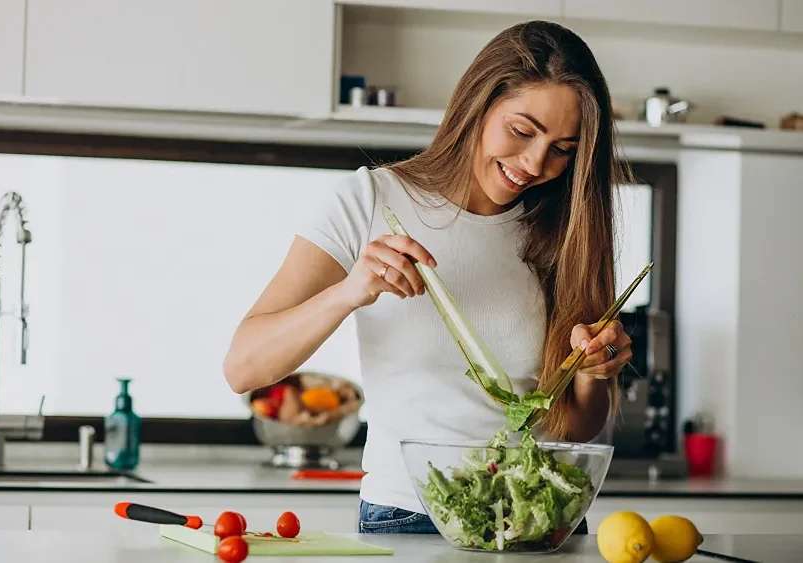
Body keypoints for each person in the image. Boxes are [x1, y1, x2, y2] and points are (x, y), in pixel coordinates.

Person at [223, 20, 634, 535]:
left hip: (542, 517)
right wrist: (350, 291)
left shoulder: (566, 231)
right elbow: (244, 367)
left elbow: (572, 425)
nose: (534, 163)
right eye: (522, 131)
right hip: (410, 514)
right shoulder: (371, 202)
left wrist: (596, 373)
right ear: (477, 106)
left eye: (563, 149)